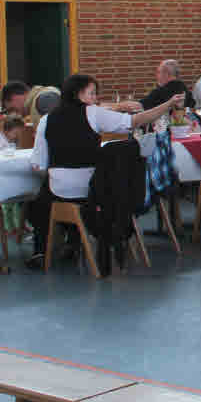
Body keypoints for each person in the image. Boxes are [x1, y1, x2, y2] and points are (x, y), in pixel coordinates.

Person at [25, 74, 182, 268]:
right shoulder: (93, 113)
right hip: (96, 190)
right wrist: (167, 105)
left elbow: (38, 165)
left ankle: (43, 250)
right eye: (91, 93)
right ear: (78, 94)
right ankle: (74, 240)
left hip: (62, 190)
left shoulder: (46, 120)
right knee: (75, 192)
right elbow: (135, 121)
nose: (95, 98)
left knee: (39, 201)